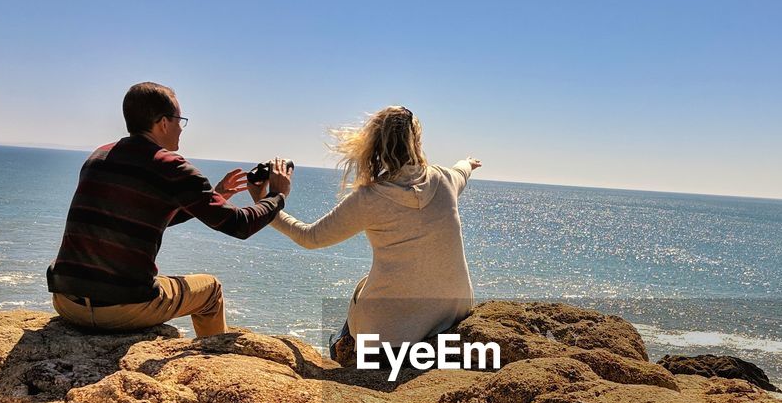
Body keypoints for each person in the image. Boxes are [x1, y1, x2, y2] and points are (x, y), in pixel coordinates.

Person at [47, 82, 293, 337]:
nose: (181, 128)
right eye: (179, 120)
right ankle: (212, 357)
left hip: (66, 301)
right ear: (163, 123)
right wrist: (277, 195)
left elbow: (141, 216)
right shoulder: (171, 166)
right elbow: (240, 225)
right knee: (210, 289)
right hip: (120, 309)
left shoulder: (99, 156)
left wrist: (217, 196)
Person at [251, 105, 480, 364]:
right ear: (417, 141)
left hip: (390, 337)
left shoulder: (370, 198)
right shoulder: (445, 179)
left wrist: (265, 205)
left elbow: (311, 237)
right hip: (452, 315)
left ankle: (340, 348)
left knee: (341, 338)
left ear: (373, 145)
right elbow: (462, 171)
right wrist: (468, 163)